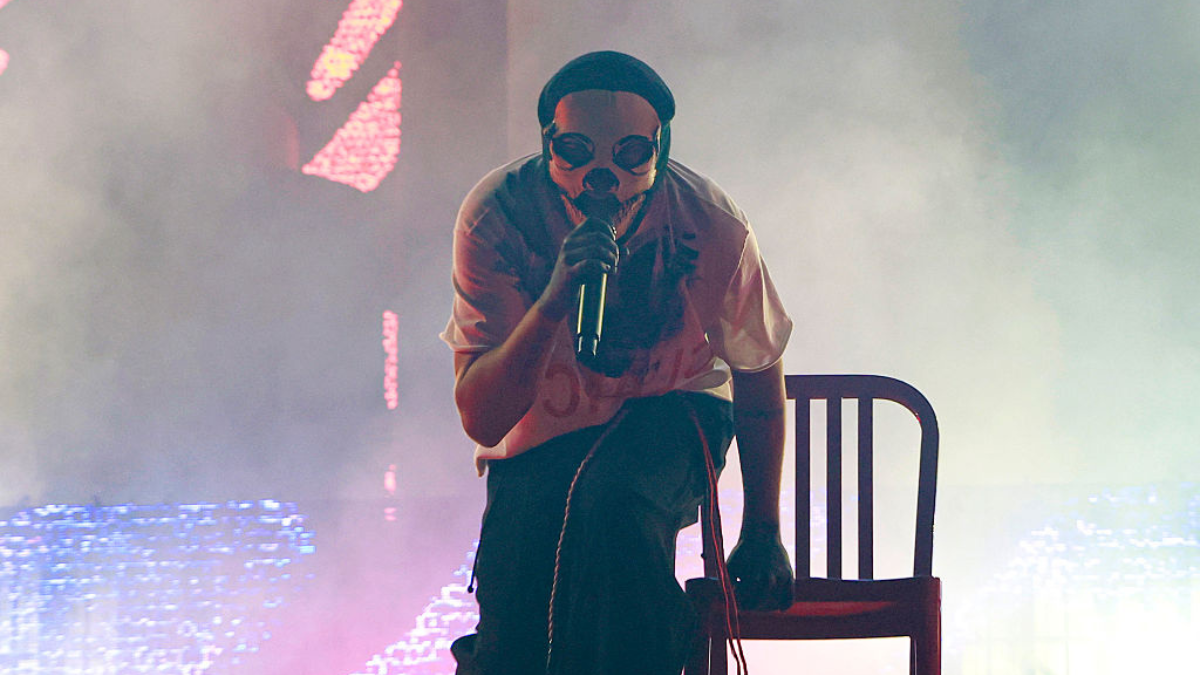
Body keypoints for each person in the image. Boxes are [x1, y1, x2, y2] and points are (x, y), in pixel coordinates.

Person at [441, 51, 794, 675]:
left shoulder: (710, 224)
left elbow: (759, 370)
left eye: (631, 155)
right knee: (521, 575)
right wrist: (554, 299)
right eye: (575, 152)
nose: (600, 180)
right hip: (540, 431)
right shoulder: (499, 215)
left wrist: (763, 528)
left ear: (660, 151)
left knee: (616, 505)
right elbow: (484, 418)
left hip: (673, 407)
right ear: (547, 145)